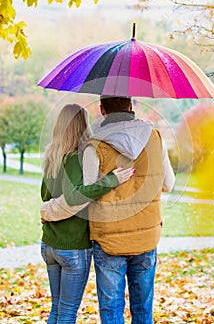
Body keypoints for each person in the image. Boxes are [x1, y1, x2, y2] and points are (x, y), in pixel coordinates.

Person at [41, 96, 175, 324]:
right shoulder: (156, 138)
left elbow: (81, 198)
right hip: (146, 238)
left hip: (108, 241)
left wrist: (48, 211)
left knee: (112, 311)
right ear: (132, 106)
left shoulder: (94, 147)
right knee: (143, 310)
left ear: (102, 110)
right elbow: (168, 184)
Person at [40, 103, 135, 324]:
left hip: (49, 244)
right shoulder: (75, 158)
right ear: (83, 126)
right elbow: (76, 197)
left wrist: (47, 212)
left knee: (56, 309)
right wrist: (111, 180)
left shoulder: (50, 157)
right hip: (72, 247)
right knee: (67, 313)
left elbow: (46, 198)